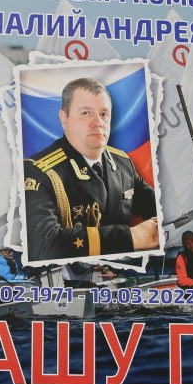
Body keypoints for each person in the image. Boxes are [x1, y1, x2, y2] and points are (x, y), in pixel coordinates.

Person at [23, 77, 159, 262]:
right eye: (86, 113)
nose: (98, 122)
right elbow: (43, 245)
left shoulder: (122, 162)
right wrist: (131, 237)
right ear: (64, 118)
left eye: (104, 114)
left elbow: (157, 208)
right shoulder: (39, 172)